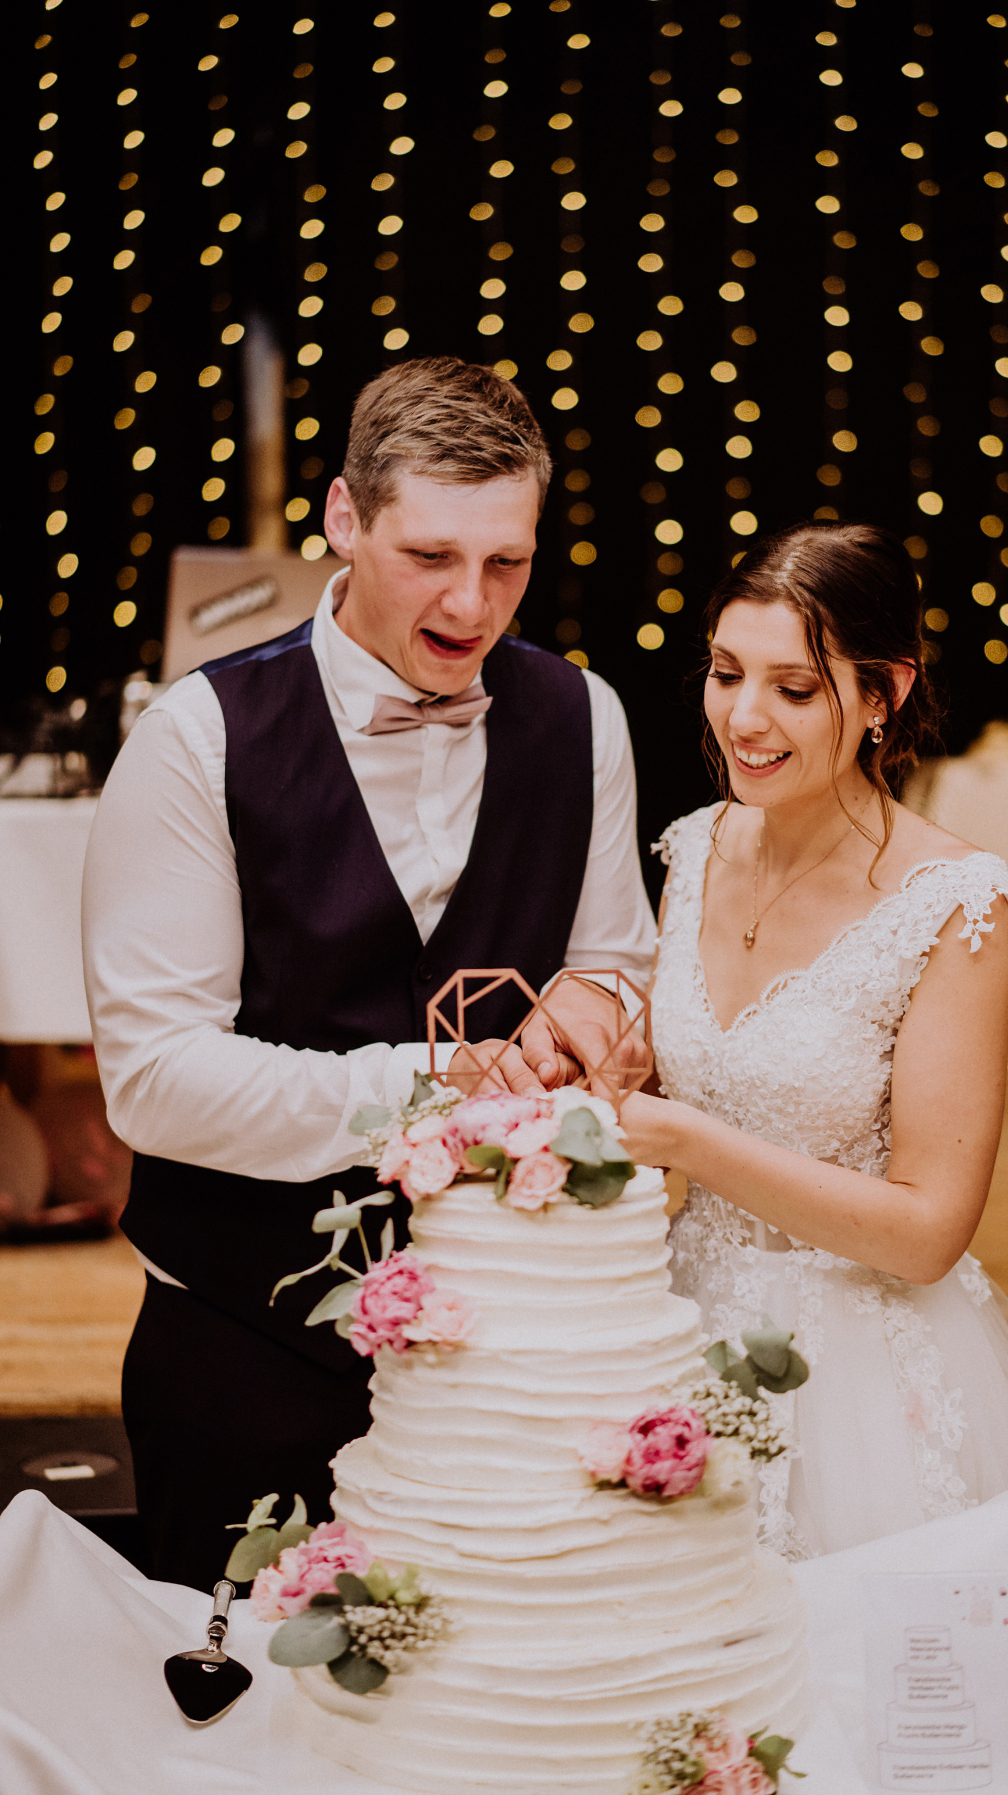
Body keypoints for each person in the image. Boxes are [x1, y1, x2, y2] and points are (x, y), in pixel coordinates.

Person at [82, 356, 654, 1588]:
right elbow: (157, 1083)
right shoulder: (195, 738)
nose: (472, 602)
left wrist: (595, 1011)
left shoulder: (583, 717)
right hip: (246, 1337)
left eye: (507, 562)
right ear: (344, 517)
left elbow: (614, 957)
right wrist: (435, 1082)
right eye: (430, 557)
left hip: (515, 1345)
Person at [617, 519, 1008, 1559]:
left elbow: (929, 1232)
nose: (745, 717)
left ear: (883, 694)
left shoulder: (953, 903)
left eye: (795, 688)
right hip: (675, 1331)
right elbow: (675, 1064)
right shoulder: (695, 847)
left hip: (859, 1378)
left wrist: (687, 1145)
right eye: (728, 672)